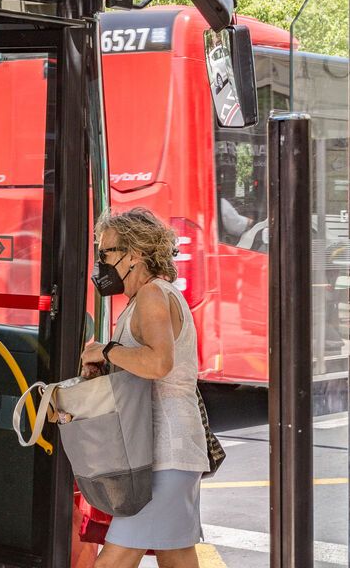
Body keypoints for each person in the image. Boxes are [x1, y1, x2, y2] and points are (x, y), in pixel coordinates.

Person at [79, 207, 209, 568]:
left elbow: (158, 363)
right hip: (167, 451)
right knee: (176, 554)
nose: (100, 263)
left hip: (164, 453)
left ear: (134, 254)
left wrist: (106, 349)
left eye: (105, 253)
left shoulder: (153, 294)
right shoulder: (146, 298)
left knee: (116, 557)